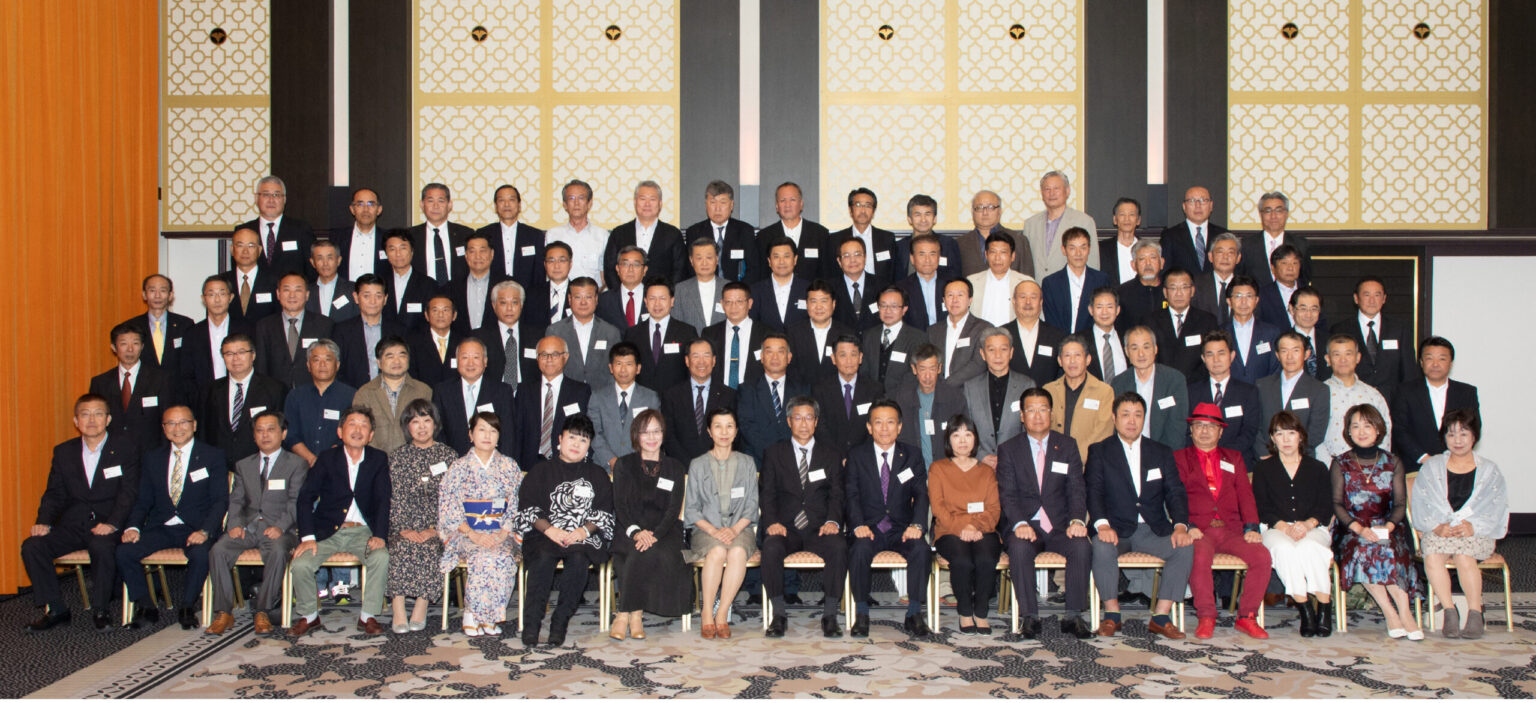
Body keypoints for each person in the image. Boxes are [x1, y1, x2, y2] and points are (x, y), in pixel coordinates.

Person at [21, 395, 141, 632]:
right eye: (85, 414)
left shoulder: (126, 448)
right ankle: (57, 609)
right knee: (32, 546)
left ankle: (101, 609)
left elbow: (129, 492)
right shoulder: (64, 452)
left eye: (98, 414)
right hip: (73, 524)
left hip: (109, 523)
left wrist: (113, 523)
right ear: (76, 421)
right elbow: (54, 493)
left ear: (108, 419)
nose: (92, 420)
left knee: (101, 546)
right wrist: (43, 521)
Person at [1086, 393, 1193, 640]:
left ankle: (1161, 617)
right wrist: (1102, 524)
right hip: (1115, 528)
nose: (1132, 421)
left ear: (1145, 418)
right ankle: (1112, 615)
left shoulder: (1161, 452)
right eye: (1125, 415)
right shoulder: (1100, 451)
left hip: (1152, 529)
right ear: (1114, 418)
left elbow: (1175, 492)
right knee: (1101, 546)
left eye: (1138, 415)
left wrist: (1180, 526)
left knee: (1184, 546)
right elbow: (1094, 491)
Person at [997, 388, 1094, 639]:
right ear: (1022, 416)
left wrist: (1076, 520)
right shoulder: (1009, 449)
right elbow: (1007, 493)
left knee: (1082, 546)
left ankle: (1073, 615)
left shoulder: (1067, 446)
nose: (1037, 416)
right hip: (1026, 524)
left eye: (1043, 409)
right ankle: (1030, 616)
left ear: (1051, 413)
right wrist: (1019, 523)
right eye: (1031, 410)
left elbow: (1076, 489)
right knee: (1018, 548)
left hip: (1061, 525)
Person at [288, 406, 392, 636]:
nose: (357, 430)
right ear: (340, 431)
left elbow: (383, 500)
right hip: (327, 531)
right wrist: (307, 537)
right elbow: (305, 498)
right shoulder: (327, 459)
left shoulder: (378, 459)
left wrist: (380, 535)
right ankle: (310, 616)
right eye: (352, 424)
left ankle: (368, 616)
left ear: (371, 435)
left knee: (381, 557)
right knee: (301, 564)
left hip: (363, 531)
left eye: (364, 426)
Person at [1174, 402, 1271, 640]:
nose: (1204, 431)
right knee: (1198, 556)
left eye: (1211, 426)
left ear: (1220, 432)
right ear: (1191, 430)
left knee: (1262, 556)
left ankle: (1247, 616)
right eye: (1199, 425)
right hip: (1199, 529)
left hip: (1231, 529)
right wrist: (1188, 526)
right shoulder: (1179, 458)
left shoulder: (1234, 458)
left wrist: (1251, 527)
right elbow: (1175, 497)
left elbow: (1245, 495)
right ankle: (1206, 616)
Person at [516, 415, 615, 647]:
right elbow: (527, 507)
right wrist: (550, 530)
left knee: (579, 558)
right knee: (542, 557)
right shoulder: (541, 471)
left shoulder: (597, 475)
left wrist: (584, 531)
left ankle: (560, 622)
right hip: (545, 534)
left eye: (583, 440)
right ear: (560, 439)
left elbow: (604, 511)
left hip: (583, 538)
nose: (576, 444)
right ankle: (531, 624)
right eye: (572, 437)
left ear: (589, 446)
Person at [206, 409, 306, 636]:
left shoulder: (296, 464)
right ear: (253, 436)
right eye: (259, 431)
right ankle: (224, 612)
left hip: (281, 529)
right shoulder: (244, 465)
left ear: (283, 433)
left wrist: (280, 526)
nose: (265, 435)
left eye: (271, 430)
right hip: (248, 528)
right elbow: (237, 499)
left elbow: (296, 502)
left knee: (278, 551)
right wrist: (234, 524)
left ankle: (263, 610)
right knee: (218, 550)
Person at [1410, 408, 1507, 640]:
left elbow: (1496, 508)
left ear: (1474, 436)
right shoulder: (1432, 467)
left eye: (1464, 433)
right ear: (1444, 437)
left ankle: (1475, 613)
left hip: (1476, 532)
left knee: (1464, 557)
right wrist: (1437, 527)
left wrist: (1473, 527)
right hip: (1441, 529)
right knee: (1432, 556)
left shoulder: (1489, 470)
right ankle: (1449, 611)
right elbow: (1421, 503)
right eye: (1451, 434)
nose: (1457, 440)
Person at [757, 397, 847, 638]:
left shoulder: (831, 454)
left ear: (816, 422)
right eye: (798, 418)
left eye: (809, 418)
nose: (804, 424)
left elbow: (838, 494)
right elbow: (767, 493)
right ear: (789, 421)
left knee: (839, 547)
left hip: (820, 528)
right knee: (771, 547)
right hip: (786, 528)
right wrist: (772, 522)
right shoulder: (774, 453)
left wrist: (833, 521)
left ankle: (830, 615)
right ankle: (778, 615)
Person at [1331, 403, 1422, 640]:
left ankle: (1406, 613)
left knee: (1388, 549)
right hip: (1351, 529)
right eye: (1355, 426)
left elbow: (1400, 504)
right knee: (1364, 549)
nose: (1361, 431)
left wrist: (1388, 527)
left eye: (1367, 426)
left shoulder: (1393, 462)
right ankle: (1390, 613)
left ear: (1378, 429)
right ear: (1348, 431)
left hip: (1387, 525)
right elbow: (1337, 504)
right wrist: (1359, 529)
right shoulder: (1340, 463)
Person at [845, 401, 932, 637]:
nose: (885, 428)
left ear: (900, 427)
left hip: (902, 528)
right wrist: (857, 525)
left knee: (921, 550)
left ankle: (914, 613)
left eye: (890, 422)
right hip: (869, 527)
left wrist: (917, 525)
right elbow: (851, 494)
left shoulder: (912, 455)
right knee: (859, 550)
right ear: (869, 427)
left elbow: (921, 494)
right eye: (878, 422)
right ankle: (862, 613)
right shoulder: (857, 455)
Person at [437, 411, 523, 637]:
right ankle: (471, 614)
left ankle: (489, 617)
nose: (487, 435)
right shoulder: (458, 468)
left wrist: (504, 532)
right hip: (466, 532)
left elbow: (517, 503)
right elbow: (448, 507)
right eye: (481, 430)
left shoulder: (509, 466)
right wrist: (473, 534)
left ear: (499, 436)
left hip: (501, 531)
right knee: (482, 555)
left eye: (493, 431)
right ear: (471, 434)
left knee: (503, 556)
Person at [1252, 410, 1334, 637]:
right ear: (1272, 438)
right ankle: (1305, 608)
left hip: (1313, 527)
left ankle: (1324, 606)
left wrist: (1307, 525)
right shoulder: (1262, 469)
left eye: (1291, 433)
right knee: (1284, 549)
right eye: (1279, 434)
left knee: (1310, 547)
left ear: (1300, 436)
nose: (1286, 439)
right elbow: (1261, 507)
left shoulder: (1318, 467)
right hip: (1276, 528)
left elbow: (1326, 505)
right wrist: (1284, 527)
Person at [610, 409, 691, 639]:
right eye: (645, 432)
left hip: (665, 530)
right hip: (630, 528)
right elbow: (620, 506)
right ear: (636, 435)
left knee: (643, 552)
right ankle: (633, 615)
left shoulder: (675, 467)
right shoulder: (623, 465)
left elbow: (673, 510)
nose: (652, 437)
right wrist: (637, 532)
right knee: (634, 549)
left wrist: (654, 535)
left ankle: (626, 614)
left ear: (663, 434)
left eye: (656, 431)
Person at [682, 408, 758, 639]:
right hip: (706, 530)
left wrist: (734, 529)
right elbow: (691, 509)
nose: (724, 432)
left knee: (737, 552)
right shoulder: (697, 464)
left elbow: (752, 506)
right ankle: (707, 612)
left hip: (740, 528)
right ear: (709, 431)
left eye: (729, 426)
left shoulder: (747, 463)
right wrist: (715, 531)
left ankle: (722, 612)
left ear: (736, 431)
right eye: (718, 426)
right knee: (716, 551)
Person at [383, 399, 457, 633]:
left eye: (427, 420)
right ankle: (398, 609)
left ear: (435, 424)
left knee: (430, 548)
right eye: (415, 421)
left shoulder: (449, 456)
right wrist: (403, 528)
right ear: (407, 426)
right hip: (403, 523)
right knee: (401, 547)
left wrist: (435, 529)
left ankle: (421, 607)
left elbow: (453, 500)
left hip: (437, 525)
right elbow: (393, 498)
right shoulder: (397, 457)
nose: (422, 426)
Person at [929, 415, 1002, 634]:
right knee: (962, 560)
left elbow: (993, 509)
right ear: (948, 440)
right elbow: (938, 508)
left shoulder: (986, 471)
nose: (962, 441)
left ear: (975, 439)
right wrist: (963, 528)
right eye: (956, 435)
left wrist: (975, 527)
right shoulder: (938, 469)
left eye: (968, 434)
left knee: (985, 558)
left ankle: (981, 612)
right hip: (949, 531)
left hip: (983, 530)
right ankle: (965, 611)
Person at [199, 334, 288, 470]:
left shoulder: (275, 389)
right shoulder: (209, 390)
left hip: (260, 467)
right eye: (229, 354)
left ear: (253, 355)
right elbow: (203, 433)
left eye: (241, 352)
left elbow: (281, 431)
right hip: (219, 467)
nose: (235, 358)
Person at [1392, 336, 1480, 473]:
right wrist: (1424, 458)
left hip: (1456, 466)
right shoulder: (1404, 391)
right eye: (1429, 358)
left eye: (1442, 359)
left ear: (1451, 363)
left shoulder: (1466, 392)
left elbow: (1474, 428)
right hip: (1416, 467)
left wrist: (1453, 459)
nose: (1435, 364)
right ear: (1421, 362)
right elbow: (1399, 430)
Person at [1329, 277, 1417, 404]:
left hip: (1392, 402)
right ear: (1356, 298)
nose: (1372, 300)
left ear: (1384, 299)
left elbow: (1409, 371)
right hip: (1354, 400)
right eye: (1366, 295)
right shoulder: (1341, 329)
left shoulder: (1399, 329)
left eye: (1377, 295)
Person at [91, 321, 174, 452]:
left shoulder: (160, 379)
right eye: (123, 344)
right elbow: (95, 424)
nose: (130, 349)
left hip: (150, 453)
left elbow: (168, 420)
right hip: (113, 454)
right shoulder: (100, 383)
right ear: (114, 347)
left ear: (142, 346)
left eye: (135, 343)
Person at [512, 335, 593, 470]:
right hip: (529, 465)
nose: (549, 359)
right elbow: (517, 431)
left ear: (565, 357)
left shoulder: (580, 391)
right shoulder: (524, 390)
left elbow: (586, 430)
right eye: (544, 355)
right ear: (537, 358)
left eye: (555, 354)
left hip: (566, 464)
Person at [1187, 331, 1264, 469]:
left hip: (1237, 463)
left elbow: (1250, 431)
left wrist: (1219, 455)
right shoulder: (1191, 392)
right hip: (1199, 464)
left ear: (1232, 356)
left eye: (1221, 353)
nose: (1216, 360)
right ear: (1203, 358)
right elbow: (1187, 430)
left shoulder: (1248, 392)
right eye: (1210, 354)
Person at [431, 337, 515, 457]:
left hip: (491, 462)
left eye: (476, 357)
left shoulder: (502, 391)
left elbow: (507, 434)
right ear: (457, 361)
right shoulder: (442, 391)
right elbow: (438, 432)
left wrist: (502, 463)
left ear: (485, 361)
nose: (470, 363)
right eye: (465, 357)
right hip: (453, 461)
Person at [1253, 331, 1329, 460]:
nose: (1290, 357)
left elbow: (1316, 433)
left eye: (1296, 351)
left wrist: (1291, 457)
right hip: (1266, 459)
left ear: (1306, 354)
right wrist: (1265, 453)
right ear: (1277, 355)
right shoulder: (1262, 385)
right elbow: (1255, 425)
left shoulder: (1319, 389)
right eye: (1284, 351)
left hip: (1302, 460)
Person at [1110, 325, 1189, 449]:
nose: (1141, 354)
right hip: (1128, 451)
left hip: (1165, 452)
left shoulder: (1174, 380)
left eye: (1146, 347)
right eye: (1134, 348)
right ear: (1127, 352)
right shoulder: (1118, 383)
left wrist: (1159, 456)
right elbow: (1117, 426)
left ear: (1155, 349)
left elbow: (1177, 426)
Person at [961, 327, 1035, 461]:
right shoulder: (970, 387)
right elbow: (966, 429)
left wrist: (1011, 457)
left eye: (1003, 349)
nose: (998, 355)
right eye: (991, 350)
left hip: (1016, 461)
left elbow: (1031, 429)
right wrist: (981, 455)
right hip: (981, 463)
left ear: (1011, 352)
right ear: (982, 354)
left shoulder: (1027, 385)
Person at [1317, 335, 1393, 462]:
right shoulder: (1318, 393)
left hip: (1370, 466)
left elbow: (1385, 432)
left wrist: (1376, 465)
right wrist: (1331, 467)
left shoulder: (1373, 395)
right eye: (1336, 354)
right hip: (1331, 465)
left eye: (1348, 354)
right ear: (1328, 359)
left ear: (1358, 357)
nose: (1343, 360)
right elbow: (1315, 437)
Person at [351, 336, 432, 453]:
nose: (397, 361)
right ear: (379, 363)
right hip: (375, 460)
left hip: (415, 458)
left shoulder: (424, 391)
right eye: (390, 356)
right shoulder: (365, 393)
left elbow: (431, 430)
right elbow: (360, 431)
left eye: (402, 355)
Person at [179, 276, 253, 404]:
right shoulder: (192, 333)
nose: (217, 300)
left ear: (231, 297)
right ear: (203, 299)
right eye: (211, 294)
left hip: (240, 397)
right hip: (204, 400)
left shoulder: (247, 329)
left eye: (222, 294)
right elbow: (187, 374)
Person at [661, 338, 736, 462]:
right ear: (687, 361)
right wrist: (690, 466)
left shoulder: (729, 395)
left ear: (714, 360)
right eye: (695, 356)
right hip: (681, 466)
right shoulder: (671, 395)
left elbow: (733, 435)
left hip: (719, 465)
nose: (701, 362)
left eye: (706, 356)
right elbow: (668, 436)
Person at [255, 273, 336, 389]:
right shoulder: (264, 326)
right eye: (286, 290)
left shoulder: (325, 325)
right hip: (276, 393)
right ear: (278, 294)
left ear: (307, 295)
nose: (292, 295)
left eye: (298, 290)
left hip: (313, 391)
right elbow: (261, 367)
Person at [589, 342, 661, 470]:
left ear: (638, 368)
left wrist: (635, 462)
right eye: (618, 364)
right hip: (604, 466)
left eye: (629, 364)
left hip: (639, 467)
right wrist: (611, 460)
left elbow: (655, 434)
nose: (623, 369)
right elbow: (594, 432)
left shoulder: (651, 398)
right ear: (611, 368)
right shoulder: (598, 397)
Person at [603, 180, 686, 290]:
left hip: (661, 297)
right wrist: (622, 295)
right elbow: (610, 269)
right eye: (642, 199)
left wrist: (667, 295)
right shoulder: (618, 233)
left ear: (660, 203)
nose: (647, 204)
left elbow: (680, 270)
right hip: (626, 298)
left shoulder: (673, 234)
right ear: (635, 202)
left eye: (652, 199)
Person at [893, 344, 965, 469]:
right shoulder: (902, 399)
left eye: (932, 369)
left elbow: (964, 436)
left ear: (939, 368)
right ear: (914, 369)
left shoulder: (954, 397)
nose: (927, 376)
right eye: (922, 369)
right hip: (914, 470)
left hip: (948, 469)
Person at [738, 333, 807, 464]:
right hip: (758, 460)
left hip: (794, 460)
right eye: (769, 352)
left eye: (780, 352)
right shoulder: (747, 389)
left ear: (789, 357)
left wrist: (788, 456)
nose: (775, 357)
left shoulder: (802, 390)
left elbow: (805, 427)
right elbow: (747, 427)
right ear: (762, 357)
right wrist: (773, 457)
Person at [1045, 335, 1116, 460]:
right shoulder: (1048, 391)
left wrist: (1072, 458)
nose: (1072, 361)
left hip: (1089, 463)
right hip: (1054, 461)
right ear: (1060, 361)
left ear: (1088, 359)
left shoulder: (1104, 392)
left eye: (1077, 355)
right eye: (1067, 356)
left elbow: (1103, 433)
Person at [812, 334, 883, 454]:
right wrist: (838, 455)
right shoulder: (820, 389)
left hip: (865, 456)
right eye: (843, 355)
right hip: (831, 455)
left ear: (860, 358)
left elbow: (877, 425)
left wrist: (858, 456)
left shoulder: (875, 389)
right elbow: (820, 427)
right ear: (833, 359)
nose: (849, 361)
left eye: (853, 355)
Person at [334, 274, 407, 389]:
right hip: (354, 394)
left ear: (385, 299)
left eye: (378, 296)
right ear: (356, 297)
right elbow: (337, 369)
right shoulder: (342, 331)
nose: (373, 301)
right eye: (366, 296)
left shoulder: (399, 331)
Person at [626, 276, 698, 393]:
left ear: (672, 301)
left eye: (662, 298)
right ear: (645, 302)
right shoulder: (632, 334)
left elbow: (692, 370)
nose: (657, 304)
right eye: (652, 298)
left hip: (676, 398)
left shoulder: (687, 332)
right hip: (643, 399)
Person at [1023, 170, 1098, 279]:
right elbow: (1025, 264)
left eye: (1056, 188)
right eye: (1047, 189)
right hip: (1037, 287)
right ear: (1042, 193)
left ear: (1067, 191)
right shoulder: (1031, 224)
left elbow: (1093, 262)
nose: (1051, 193)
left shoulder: (1084, 221)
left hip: (1069, 286)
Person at [686, 180, 764, 284]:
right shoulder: (694, 232)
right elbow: (690, 269)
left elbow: (753, 268)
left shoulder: (744, 230)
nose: (717, 208)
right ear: (706, 204)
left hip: (737, 290)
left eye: (723, 202)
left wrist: (739, 290)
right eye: (713, 202)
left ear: (731, 205)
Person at [238, 175, 315, 279]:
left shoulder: (301, 229)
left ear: (284, 199)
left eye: (276, 195)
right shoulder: (243, 231)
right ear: (256, 198)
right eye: (266, 195)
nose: (271, 200)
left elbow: (311, 271)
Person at [551, 277, 622, 387]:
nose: (583, 302)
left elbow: (617, 369)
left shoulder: (611, 332)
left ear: (596, 299)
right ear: (569, 299)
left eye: (588, 297)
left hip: (602, 394)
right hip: (567, 393)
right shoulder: (555, 331)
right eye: (578, 297)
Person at [755, 181, 833, 280]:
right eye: (783, 200)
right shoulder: (764, 236)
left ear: (801, 204)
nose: (787, 205)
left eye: (792, 200)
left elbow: (826, 273)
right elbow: (761, 274)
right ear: (777, 206)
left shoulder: (820, 234)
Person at [122, 273, 195, 379]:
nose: (157, 295)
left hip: (177, 387)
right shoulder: (131, 326)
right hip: (144, 385)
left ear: (170, 295)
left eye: (163, 290)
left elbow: (191, 362)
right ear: (144, 294)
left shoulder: (185, 324)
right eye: (152, 290)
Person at [1152, 267, 1218, 380]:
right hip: (1163, 384)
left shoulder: (1207, 321)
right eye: (1173, 288)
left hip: (1197, 385)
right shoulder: (1151, 321)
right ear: (1165, 292)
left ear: (1192, 291)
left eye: (1184, 287)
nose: (1179, 293)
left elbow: (1211, 358)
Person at [1040, 227, 1109, 335]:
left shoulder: (1101, 280)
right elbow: (1051, 320)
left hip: (1091, 341)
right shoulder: (1050, 283)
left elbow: (1102, 318)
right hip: (1059, 341)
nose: (1078, 253)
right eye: (1072, 248)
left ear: (1089, 249)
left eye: (1083, 248)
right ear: (1064, 250)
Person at [786, 280, 854, 388]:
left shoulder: (846, 333)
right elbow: (790, 369)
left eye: (824, 301)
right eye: (813, 301)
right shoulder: (792, 333)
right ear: (807, 304)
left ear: (833, 304)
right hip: (802, 394)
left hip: (836, 392)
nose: (818, 307)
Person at [829, 187, 902, 284]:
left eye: (868, 205)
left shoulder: (887, 238)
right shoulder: (835, 240)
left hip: (881, 291)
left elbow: (893, 273)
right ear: (850, 210)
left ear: (873, 211)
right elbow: (830, 274)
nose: (863, 210)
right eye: (858, 205)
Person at [474, 280, 538, 390]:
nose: (509, 308)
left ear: (521, 305)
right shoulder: (480, 337)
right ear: (494, 305)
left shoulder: (536, 335)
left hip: (528, 395)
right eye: (503, 303)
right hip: (493, 393)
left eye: (514, 302)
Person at [1240, 191, 1312, 286]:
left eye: (1278, 211)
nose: (1273, 216)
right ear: (1261, 214)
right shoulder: (1246, 245)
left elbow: (1305, 279)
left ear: (1286, 214)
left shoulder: (1301, 245)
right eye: (1268, 211)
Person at [861, 286, 927, 389]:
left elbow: (916, 376)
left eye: (894, 306)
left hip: (904, 395)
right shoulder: (868, 335)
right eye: (883, 305)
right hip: (872, 395)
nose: (888, 311)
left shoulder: (918, 338)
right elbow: (864, 372)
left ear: (904, 309)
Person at [481, 184, 547, 285]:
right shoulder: (483, 234)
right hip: (493, 292)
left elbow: (539, 272)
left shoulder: (535, 235)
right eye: (501, 200)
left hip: (527, 292)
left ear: (519, 205)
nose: (506, 204)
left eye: (511, 200)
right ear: (496, 206)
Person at [704, 282, 767, 389]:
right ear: (722, 304)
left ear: (750, 303)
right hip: (719, 394)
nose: (734, 307)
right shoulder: (709, 333)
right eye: (728, 302)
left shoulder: (766, 333)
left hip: (755, 394)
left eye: (739, 301)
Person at [1220, 275, 1280, 385]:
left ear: (1256, 300)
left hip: (1262, 392)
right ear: (1229, 301)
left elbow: (1276, 369)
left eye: (1249, 296)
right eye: (1238, 296)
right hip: (1230, 392)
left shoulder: (1271, 332)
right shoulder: (1219, 333)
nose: (1244, 302)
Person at [441, 231, 505, 334]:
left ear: (492, 254)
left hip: (496, 343)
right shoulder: (451, 288)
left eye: (482, 251)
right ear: (466, 255)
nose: (477, 256)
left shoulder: (506, 285)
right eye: (472, 251)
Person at [410, 182, 472, 287]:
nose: (436, 206)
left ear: (449, 205)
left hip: (457, 293)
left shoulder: (465, 234)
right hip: (422, 292)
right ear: (422, 204)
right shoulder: (410, 236)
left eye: (441, 201)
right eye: (430, 201)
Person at [958, 190, 1032, 278]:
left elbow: (1028, 279)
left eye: (990, 207)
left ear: (1000, 211)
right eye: (979, 207)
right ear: (972, 212)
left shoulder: (1018, 240)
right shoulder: (960, 243)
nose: (985, 213)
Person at [928, 279, 989, 386]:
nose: (955, 300)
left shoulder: (983, 328)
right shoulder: (933, 330)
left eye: (960, 295)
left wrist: (947, 384)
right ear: (944, 300)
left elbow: (979, 364)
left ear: (970, 300)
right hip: (937, 390)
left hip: (969, 391)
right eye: (950, 295)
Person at [1006, 279, 1065, 387]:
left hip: (1048, 396)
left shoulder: (1058, 336)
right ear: (1014, 301)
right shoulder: (1002, 334)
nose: (1028, 302)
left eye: (1033, 297)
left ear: (1041, 302)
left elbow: (1062, 373)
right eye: (1023, 297)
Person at [895, 194, 964, 285]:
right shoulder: (899, 247)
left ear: (934, 219)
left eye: (927, 214)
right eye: (917, 214)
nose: (923, 220)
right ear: (909, 219)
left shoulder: (949, 244)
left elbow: (956, 277)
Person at [1159, 186, 1228, 277]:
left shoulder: (1223, 235)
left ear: (1211, 206)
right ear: (1184, 206)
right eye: (1192, 201)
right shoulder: (1170, 236)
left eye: (1203, 200)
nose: (1198, 205)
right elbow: (1165, 273)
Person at [967, 232, 1032, 327]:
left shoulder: (1026, 282)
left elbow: (1035, 316)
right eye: (993, 252)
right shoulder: (971, 281)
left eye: (1003, 252)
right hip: (980, 334)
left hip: (1014, 335)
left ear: (1013, 256)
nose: (997, 258)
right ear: (986, 255)